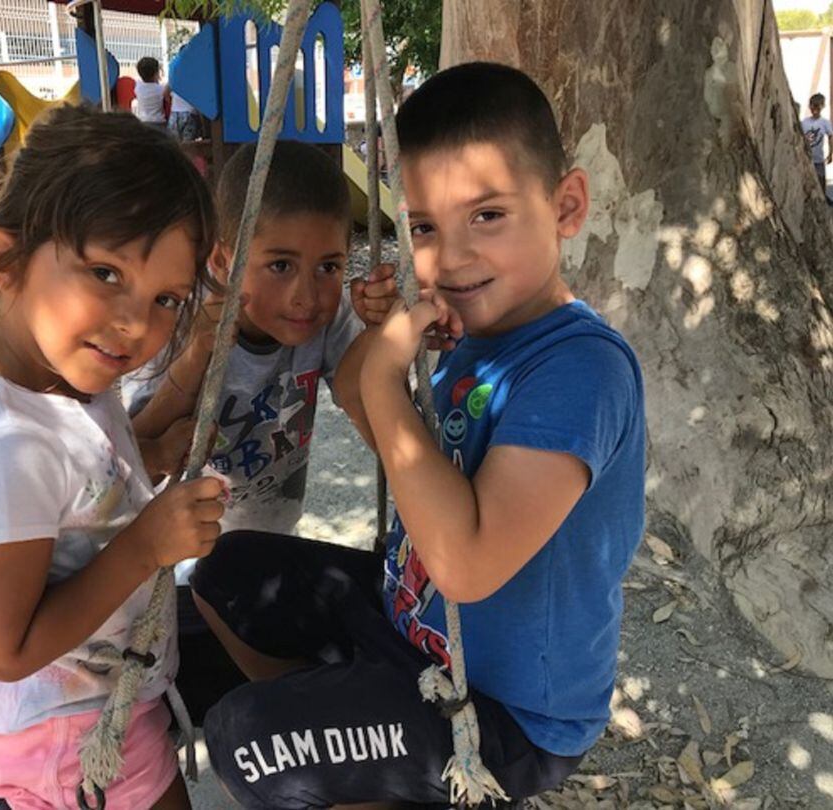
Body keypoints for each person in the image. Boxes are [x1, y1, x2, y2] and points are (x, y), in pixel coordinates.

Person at [191, 61, 647, 809]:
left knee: (247, 738)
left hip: (505, 715)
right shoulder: (475, 332)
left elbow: (465, 566)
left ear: (566, 205)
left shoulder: (581, 372)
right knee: (228, 568)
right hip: (411, 630)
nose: (454, 256)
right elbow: (381, 430)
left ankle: (380, 769)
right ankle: (367, 764)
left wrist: (380, 378)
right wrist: (380, 339)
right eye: (428, 228)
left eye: (488, 216)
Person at [0, 105, 225, 810]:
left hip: (87, 709)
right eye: (105, 272)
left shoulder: (67, 375)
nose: (136, 325)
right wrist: (147, 546)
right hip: (66, 741)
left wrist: (149, 453)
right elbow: (6, 649)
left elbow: (80, 487)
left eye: (166, 299)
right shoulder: (2, 446)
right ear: (4, 258)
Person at [124, 140, 397, 721]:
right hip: (170, 578)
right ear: (224, 262)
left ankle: (298, 720)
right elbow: (131, 458)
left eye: (328, 266)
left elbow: (375, 422)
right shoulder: (182, 319)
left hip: (257, 565)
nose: (306, 294)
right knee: (160, 705)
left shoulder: (327, 319)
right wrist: (199, 352)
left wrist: (381, 332)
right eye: (280, 265)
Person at [802, 93, 833, 203]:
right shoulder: (804, 123)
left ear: (822, 107)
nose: (815, 109)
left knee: (821, 178)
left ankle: (823, 198)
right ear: (809, 106)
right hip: (806, 157)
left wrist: (830, 153)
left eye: (818, 107)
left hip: (818, 157)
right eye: (813, 106)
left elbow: (830, 137)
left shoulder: (824, 123)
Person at [133, 56, 169, 129]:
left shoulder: (138, 87)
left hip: (143, 121)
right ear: (156, 73)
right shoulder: (161, 89)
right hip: (159, 122)